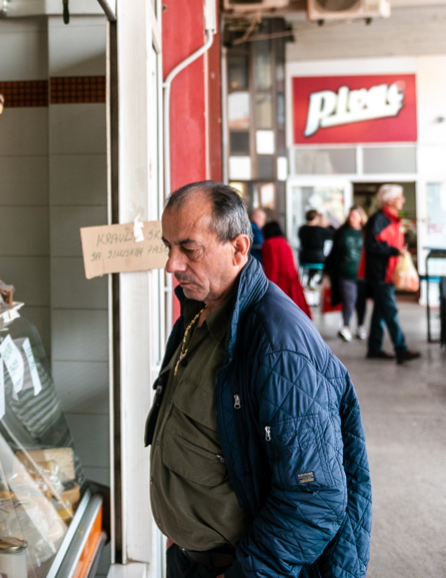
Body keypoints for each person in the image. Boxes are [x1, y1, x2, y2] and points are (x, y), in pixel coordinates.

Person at [149, 181, 371, 578]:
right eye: (168, 247)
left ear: (238, 249)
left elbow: (315, 495)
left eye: (189, 249)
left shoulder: (278, 346)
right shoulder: (199, 312)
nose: (172, 265)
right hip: (192, 558)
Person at [363, 184, 421, 363]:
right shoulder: (379, 219)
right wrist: (395, 251)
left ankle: (374, 348)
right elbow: (371, 245)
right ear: (389, 200)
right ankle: (401, 349)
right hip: (381, 273)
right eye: (400, 197)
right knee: (390, 310)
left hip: (388, 272)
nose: (403, 200)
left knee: (380, 311)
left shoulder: (392, 219)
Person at [324, 207, 368, 342]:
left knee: (361, 301)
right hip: (344, 272)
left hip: (362, 273)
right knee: (349, 299)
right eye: (350, 216)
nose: (352, 218)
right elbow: (333, 253)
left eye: (355, 216)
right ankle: (346, 326)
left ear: (361, 218)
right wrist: (327, 271)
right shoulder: (342, 232)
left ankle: (360, 326)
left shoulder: (366, 233)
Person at [260, 221, 312, 319]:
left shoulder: (269, 243)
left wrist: (267, 286)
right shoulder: (284, 241)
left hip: (280, 282)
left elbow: (272, 267)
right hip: (292, 279)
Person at [297, 210, 331, 287]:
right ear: (316, 218)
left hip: (304, 258)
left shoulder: (302, 229)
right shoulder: (321, 230)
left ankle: (310, 279)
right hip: (319, 258)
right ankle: (318, 281)